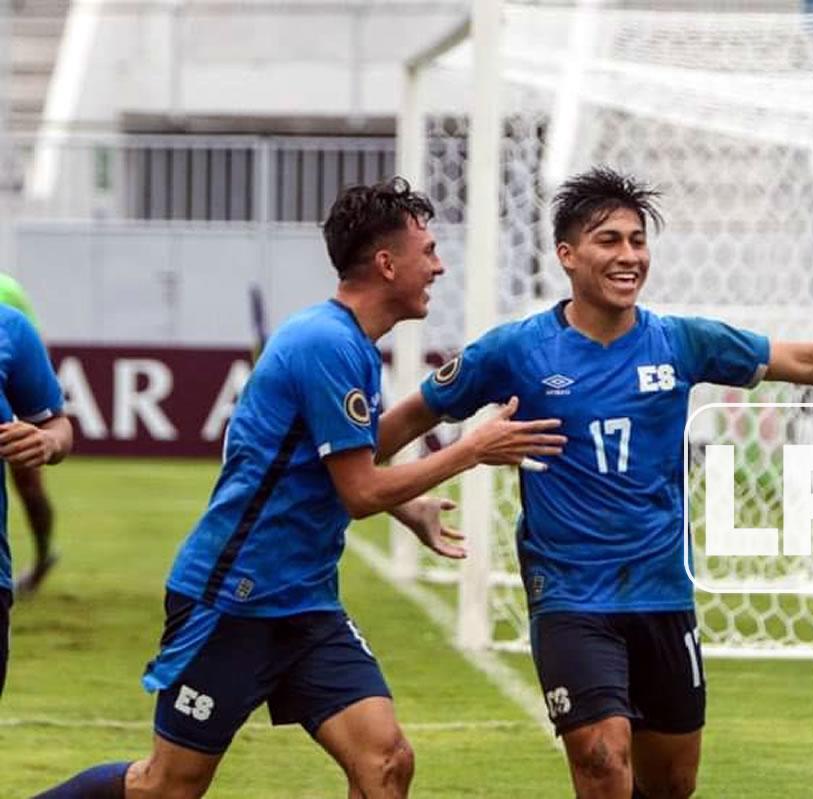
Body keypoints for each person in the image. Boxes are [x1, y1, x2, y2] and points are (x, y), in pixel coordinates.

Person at [405, 166, 813, 799]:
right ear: (567, 255)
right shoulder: (516, 350)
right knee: (601, 759)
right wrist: (400, 494)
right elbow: (409, 418)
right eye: (608, 240)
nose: (628, 255)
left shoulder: (681, 341)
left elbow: (799, 360)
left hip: (662, 595)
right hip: (569, 597)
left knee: (671, 784)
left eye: (637, 240)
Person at [37, 177, 566, 799]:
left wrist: (414, 498)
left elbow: (349, 461)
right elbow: (360, 491)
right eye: (428, 251)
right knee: (165, 787)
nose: (440, 266)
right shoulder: (324, 342)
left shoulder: (351, 344)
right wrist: (470, 452)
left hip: (305, 604)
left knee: (386, 761)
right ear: (386, 262)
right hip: (233, 600)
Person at [0, 302, 73, 698]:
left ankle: (44, 553)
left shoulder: (9, 325)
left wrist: (46, 442)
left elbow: (55, 424)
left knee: (31, 489)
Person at [0, 272, 62, 595]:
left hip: (10, 399)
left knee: (29, 485)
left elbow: (32, 348)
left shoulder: (8, 292)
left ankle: (41, 556)